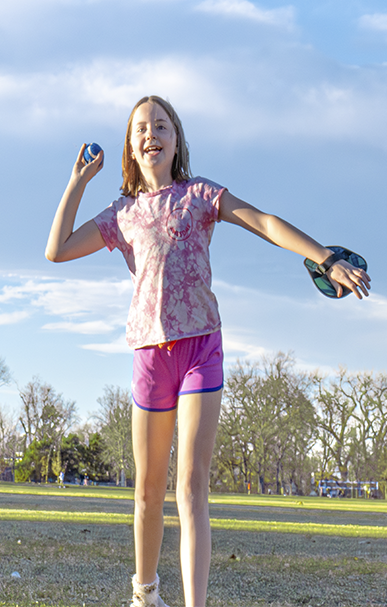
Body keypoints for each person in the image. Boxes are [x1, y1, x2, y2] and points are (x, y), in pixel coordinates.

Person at [44, 95, 370, 607]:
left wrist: (325, 258)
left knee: (191, 486)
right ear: (131, 148)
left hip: (201, 348)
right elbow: (56, 249)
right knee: (149, 491)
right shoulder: (121, 215)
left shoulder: (200, 196)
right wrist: (78, 182)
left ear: (177, 140)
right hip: (151, 355)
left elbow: (262, 221)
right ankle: (145, 594)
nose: (150, 134)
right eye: (140, 129)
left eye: (161, 125)